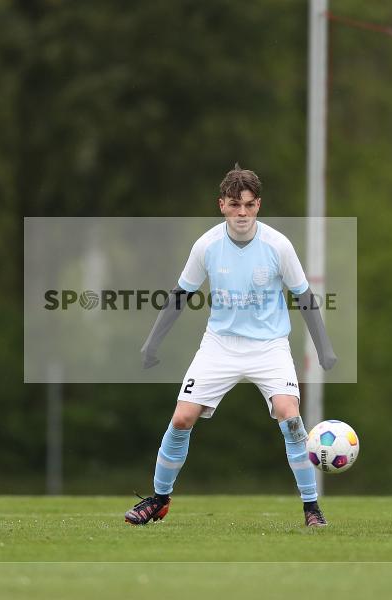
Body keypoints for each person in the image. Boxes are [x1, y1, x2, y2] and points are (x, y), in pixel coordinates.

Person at [125, 165, 337, 527]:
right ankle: (158, 500)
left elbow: (304, 297)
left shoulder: (278, 245)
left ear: (259, 206)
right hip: (219, 346)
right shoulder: (206, 245)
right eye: (235, 205)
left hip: (269, 347)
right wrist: (151, 343)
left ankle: (311, 509)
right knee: (181, 418)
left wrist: (324, 347)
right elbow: (180, 296)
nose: (242, 213)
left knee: (290, 416)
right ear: (221, 205)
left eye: (250, 205)